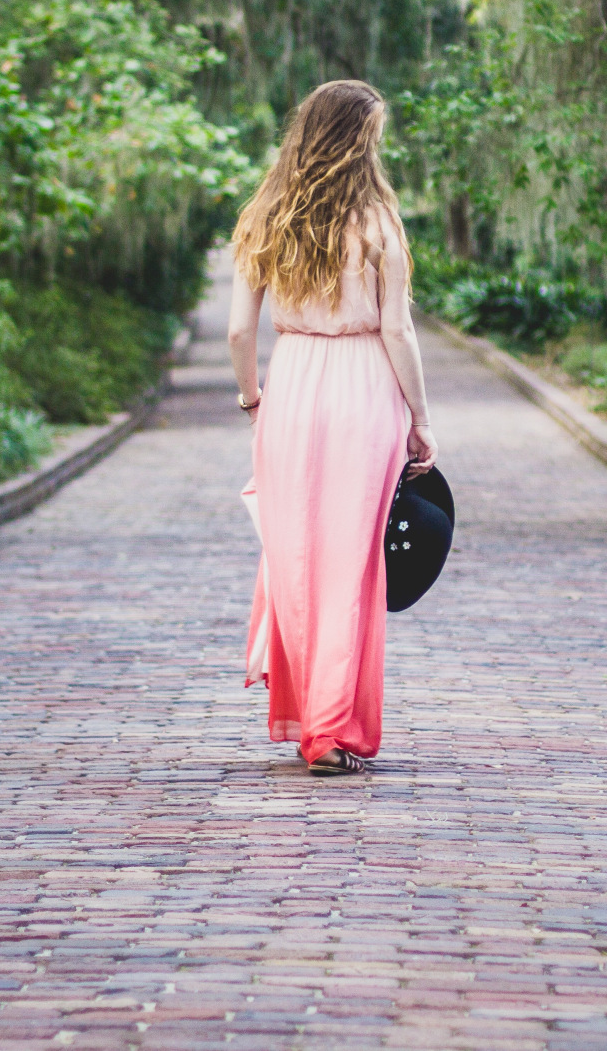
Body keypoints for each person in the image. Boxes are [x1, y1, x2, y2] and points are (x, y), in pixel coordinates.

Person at [227, 80, 438, 777]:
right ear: (356, 138)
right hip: (364, 390)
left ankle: (307, 717)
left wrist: (255, 398)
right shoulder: (379, 223)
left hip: (290, 386)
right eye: (373, 132)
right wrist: (420, 417)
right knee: (351, 562)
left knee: (296, 556)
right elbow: (397, 330)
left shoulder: (265, 215)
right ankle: (331, 727)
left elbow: (237, 331)